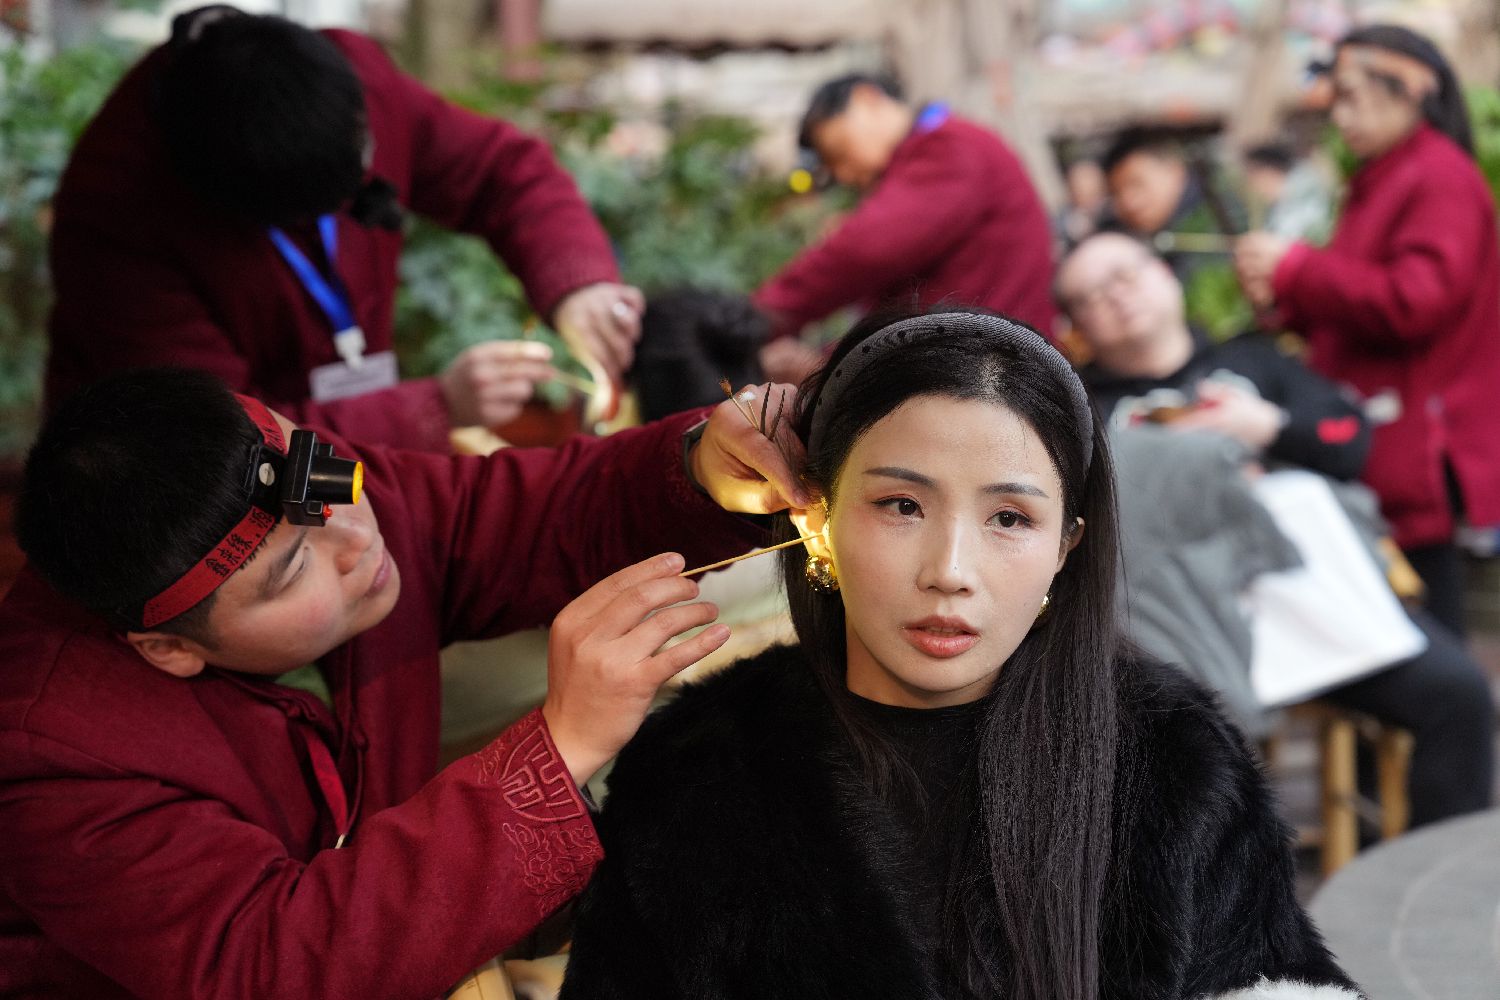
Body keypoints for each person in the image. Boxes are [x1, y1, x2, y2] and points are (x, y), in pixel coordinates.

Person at [558, 310, 1360, 1000]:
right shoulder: (697, 769)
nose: (949, 571)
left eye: (1010, 519)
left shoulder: (1174, 760)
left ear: (1066, 547)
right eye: (901, 505)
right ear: (817, 518)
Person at [0, 367, 805, 998]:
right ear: (168, 649)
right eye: (291, 574)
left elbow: (528, 516)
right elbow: (272, 965)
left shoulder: (317, 502)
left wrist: (703, 466)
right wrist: (561, 748)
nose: (357, 535)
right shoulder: (53, 761)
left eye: (326, 475)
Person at [45, 5, 643, 453]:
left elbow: (502, 172)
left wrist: (579, 284)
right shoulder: (118, 217)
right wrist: (433, 409)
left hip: (347, 445)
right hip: (174, 504)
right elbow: (221, 440)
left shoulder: (347, 78)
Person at [1057, 231, 1494, 827]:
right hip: (1177, 627)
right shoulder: (1083, 410)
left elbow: (1350, 441)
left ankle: (1437, 868)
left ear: (1164, 274)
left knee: (1459, 691)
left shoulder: (1255, 361)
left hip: (1315, 601)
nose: (1115, 297)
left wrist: (1269, 426)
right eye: (1090, 295)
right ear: (1078, 325)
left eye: (1124, 275)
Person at [1235, 24, 1500, 638]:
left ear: (1414, 87)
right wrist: (1283, 295)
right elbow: (1351, 306)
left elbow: (1415, 302)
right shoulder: (1383, 177)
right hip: (1381, 435)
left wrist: (1297, 269)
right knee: (1393, 636)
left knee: (1422, 642)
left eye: (1351, 95)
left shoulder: (1438, 175)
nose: (1339, 114)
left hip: (1414, 442)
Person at [751, 74, 1056, 383]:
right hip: (981, 367)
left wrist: (758, 317)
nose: (843, 175)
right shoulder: (945, 147)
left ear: (867, 98)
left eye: (839, 153)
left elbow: (865, 249)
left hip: (990, 375)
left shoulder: (950, 145)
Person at [1102, 127, 1242, 287]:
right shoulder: (1155, 236)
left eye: (1136, 185)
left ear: (1173, 170)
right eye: (1116, 194)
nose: (1129, 203)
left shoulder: (1219, 218)